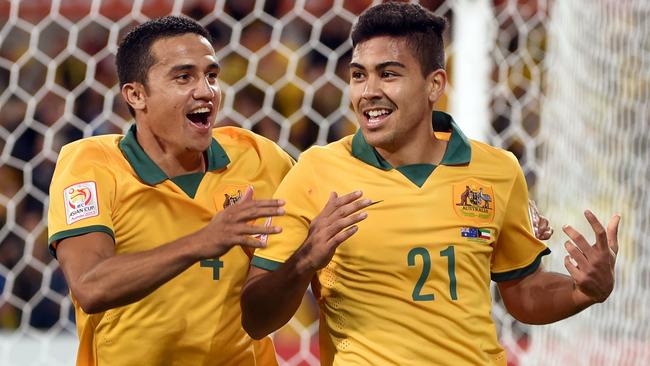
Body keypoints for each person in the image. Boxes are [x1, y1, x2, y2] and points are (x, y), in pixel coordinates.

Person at [240, 3, 620, 365]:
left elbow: (523, 292)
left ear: (434, 84)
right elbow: (256, 318)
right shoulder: (316, 171)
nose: (368, 90)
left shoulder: (498, 171)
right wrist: (305, 260)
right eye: (359, 74)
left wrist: (581, 292)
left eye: (388, 73)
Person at [47, 16, 293, 366]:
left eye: (211, 75)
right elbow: (90, 285)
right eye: (184, 77)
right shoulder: (90, 164)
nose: (206, 91)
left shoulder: (259, 157)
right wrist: (202, 242)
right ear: (136, 95)